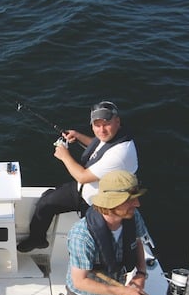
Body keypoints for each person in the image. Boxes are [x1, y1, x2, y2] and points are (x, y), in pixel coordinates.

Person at [17, 101, 138, 252]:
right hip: (84, 190)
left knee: (95, 239)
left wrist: (64, 156)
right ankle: (37, 239)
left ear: (117, 121)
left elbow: (82, 176)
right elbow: (99, 146)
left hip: (101, 204)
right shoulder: (114, 135)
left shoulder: (121, 153)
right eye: (97, 125)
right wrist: (79, 136)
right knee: (46, 203)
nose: (102, 130)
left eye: (106, 124)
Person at [60, 170, 151, 295]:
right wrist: (124, 292)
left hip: (118, 287)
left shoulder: (133, 218)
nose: (137, 204)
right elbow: (80, 281)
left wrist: (141, 273)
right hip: (85, 292)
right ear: (112, 203)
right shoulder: (81, 236)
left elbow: (138, 242)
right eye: (130, 200)